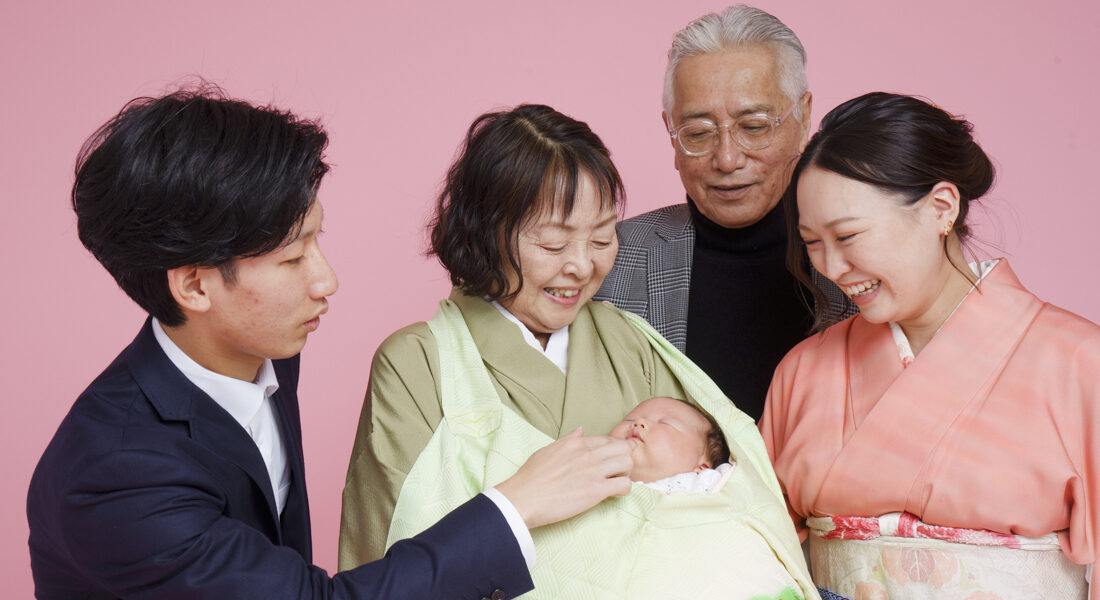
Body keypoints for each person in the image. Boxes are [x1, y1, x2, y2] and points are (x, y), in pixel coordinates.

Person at [27, 87, 636, 600]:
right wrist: (515, 506)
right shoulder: (117, 475)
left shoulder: (260, 351)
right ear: (194, 285)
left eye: (317, 241)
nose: (327, 281)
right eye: (293, 258)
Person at [337, 104, 821, 600]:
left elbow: (715, 499)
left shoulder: (628, 340)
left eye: (602, 237)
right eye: (552, 244)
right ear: (484, 233)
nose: (582, 266)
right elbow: (391, 570)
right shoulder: (419, 363)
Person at [760, 92, 1098, 599]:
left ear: (942, 208)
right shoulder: (803, 370)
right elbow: (751, 547)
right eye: (812, 242)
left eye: (848, 236)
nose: (829, 267)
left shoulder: (1079, 362)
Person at [594, 5, 854, 421]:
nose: (728, 159)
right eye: (698, 134)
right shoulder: (607, 261)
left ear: (803, 116)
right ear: (671, 133)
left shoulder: (865, 257)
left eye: (754, 126)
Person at [608, 396, 728, 484]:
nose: (639, 422)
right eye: (629, 419)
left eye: (665, 423)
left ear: (701, 469)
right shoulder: (593, 477)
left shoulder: (709, 485)